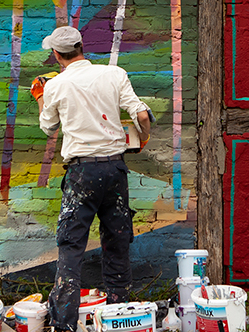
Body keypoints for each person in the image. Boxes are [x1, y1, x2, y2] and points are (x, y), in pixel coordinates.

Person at [32, 26, 153, 332]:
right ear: (81, 46)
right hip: (114, 170)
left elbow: (48, 127)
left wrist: (40, 96)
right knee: (117, 241)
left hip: (81, 174)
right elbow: (142, 115)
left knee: (71, 246)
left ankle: (64, 325)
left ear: (56, 54)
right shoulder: (114, 74)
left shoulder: (55, 86)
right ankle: (119, 317)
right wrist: (143, 138)